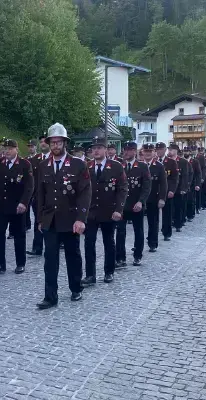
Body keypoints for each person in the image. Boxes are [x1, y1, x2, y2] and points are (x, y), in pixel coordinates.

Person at [35, 123, 91, 309]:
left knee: (72, 255)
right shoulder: (43, 165)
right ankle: (50, 296)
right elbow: (40, 193)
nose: (55, 146)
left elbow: (85, 193)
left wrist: (81, 219)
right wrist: (40, 219)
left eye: (59, 142)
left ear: (65, 143)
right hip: (50, 219)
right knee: (50, 259)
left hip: (71, 218)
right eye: (52, 142)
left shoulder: (78, 164)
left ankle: (76, 288)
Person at [81, 137, 127, 286]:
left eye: (99, 148)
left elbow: (122, 189)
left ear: (106, 150)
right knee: (89, 243)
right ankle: (90, 275)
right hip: (91, 212)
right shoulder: (86, 167)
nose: (96, 151)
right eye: (93, 148)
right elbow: (81, 190)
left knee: (109, 242)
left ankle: (109, 272)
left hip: (109, 211)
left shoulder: (116, 166)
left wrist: (119, 209)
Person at [0, 139, 34, 275]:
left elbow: (29, 186)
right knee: (0, 235)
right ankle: (0, 264)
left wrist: (24, 202)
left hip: (17, 206)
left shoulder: (25, 164)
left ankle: (20, 263)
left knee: (19, 235)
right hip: (2, 206)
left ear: (16, 149)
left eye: (10, 149)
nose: (7, 151)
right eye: (5, 148)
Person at [115, 142, 151, 268]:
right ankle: (120, 258)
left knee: (138, 231)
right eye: (125, 150)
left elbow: (146, 187)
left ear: (134, 151)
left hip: (136, 204)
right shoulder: (119, 166)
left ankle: (137, 256)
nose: (126, 152)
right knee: (120, 231)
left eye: (129, 150)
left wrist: (141, 201)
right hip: (122, 205)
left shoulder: (142, 166)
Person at [27, 135, 50, 257]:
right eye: (41, 142)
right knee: (38, 221)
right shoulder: (35, 159)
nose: (43, 143)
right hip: (38, 196)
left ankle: (53, 246)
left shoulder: (55, 158)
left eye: (45, 141)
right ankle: (37, 247)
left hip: (53, 197)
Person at [143, 144, 167, 253]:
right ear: (143, 152)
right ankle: (138, 244)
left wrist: (162, 198)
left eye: (150, 151)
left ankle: (152, 243)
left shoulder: (159, 166)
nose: (148, 153)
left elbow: (163, 184)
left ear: (154, 153)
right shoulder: (138, 165)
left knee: (153, 222)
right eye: (146, 151)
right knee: (138, 224)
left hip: (153, 198)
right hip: (139, 199)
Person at [156, 142, 178, 241]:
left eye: (161, 149)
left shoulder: (171, 162)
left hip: (167, 190)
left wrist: (172, 190)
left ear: (165, 150)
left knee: (167, 213)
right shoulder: (153, 161)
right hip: (154, 191)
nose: (159, 151)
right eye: (157, 149)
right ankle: (153, 235)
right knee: (153, 215)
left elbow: (174, 178)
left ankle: (166, 232)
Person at [170, 144, 188, 232]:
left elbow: (185, 176)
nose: (170, 151)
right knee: (170, 208)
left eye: (172, 150)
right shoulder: (167, 161)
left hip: (179, 188)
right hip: (169, 188)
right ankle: (170, 222)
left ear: (176, 151)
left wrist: (184, 188)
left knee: (178, 207)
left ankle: (178, 224)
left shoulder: (182, 162)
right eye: (169, 149)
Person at [24, 139, 39, 231]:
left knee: (36, 209)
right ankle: (26, 224)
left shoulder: (40, 158)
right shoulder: (26, 159)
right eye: (29, 146)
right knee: (26, 206)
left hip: (37, 187)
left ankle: (37, 226)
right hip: (28, 186)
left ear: (36, 147)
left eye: (32, 146)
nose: (30, 148)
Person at [185, 148, 201, 222]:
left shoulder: (194, 161)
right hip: (183, 183)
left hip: (192, 183)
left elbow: (198, 173)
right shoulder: (181, 161)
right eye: (185, 151)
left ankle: (190, 215)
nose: (186, 153)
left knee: (190, 200)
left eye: (187, 151)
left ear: (190, 152)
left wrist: (197, 184)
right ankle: (183, 215)